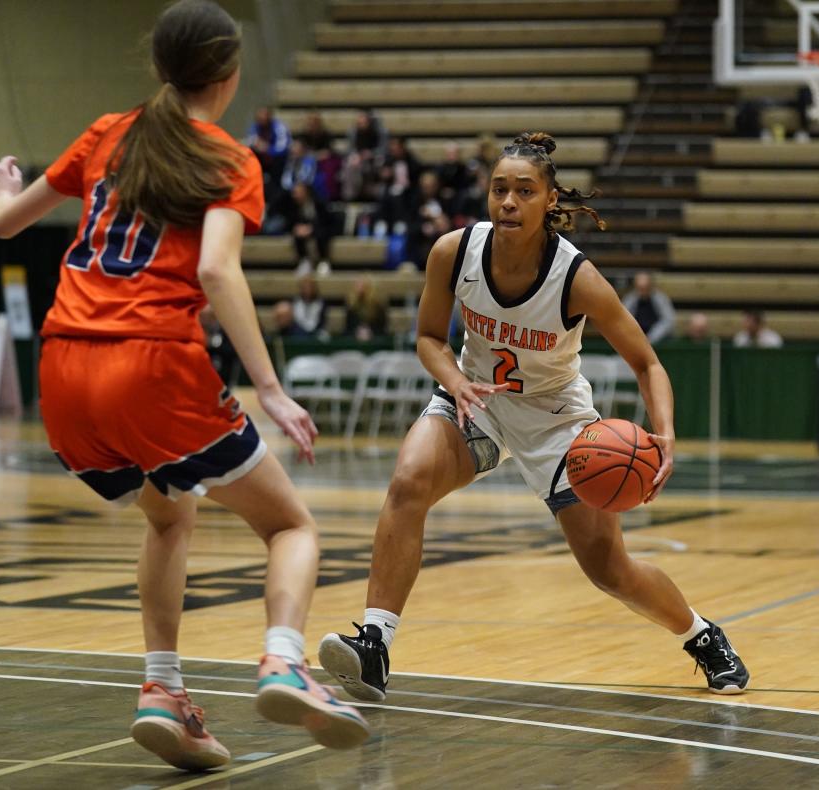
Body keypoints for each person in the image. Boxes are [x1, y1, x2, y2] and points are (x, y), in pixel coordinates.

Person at [0, 0, 368, 769]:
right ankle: (285, 662)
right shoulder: (228, 158)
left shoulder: (105, 132)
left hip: (62, 370)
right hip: (149, 363)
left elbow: (4, 226)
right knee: (291, 528)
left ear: (159, 67)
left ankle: (163, 692)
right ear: (228, 74)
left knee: (169, 517)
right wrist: (271, 387)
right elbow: (217, 270)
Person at [318, 132, 749, 703]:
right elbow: (427, 338)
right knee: (407, 481)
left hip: (557, 421)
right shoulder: (454, 251)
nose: (508, 202)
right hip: (476, 398)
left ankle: (701, 636)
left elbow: (647, 363)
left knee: (608, 570)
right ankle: (374, 643)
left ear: (549, 201)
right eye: (499, 189)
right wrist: (455, 382)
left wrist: (663, 434)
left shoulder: (577, 278)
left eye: (524, 191)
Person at [622, 271, 675, 344]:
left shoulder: (661, 299)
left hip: (658, 340)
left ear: (650, 286)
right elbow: (624, 321)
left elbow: (668, 321)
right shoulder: (629, 299)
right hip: (635, 338)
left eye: (645, 287)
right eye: (640, 288)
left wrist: (650, 339)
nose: (642, 291)